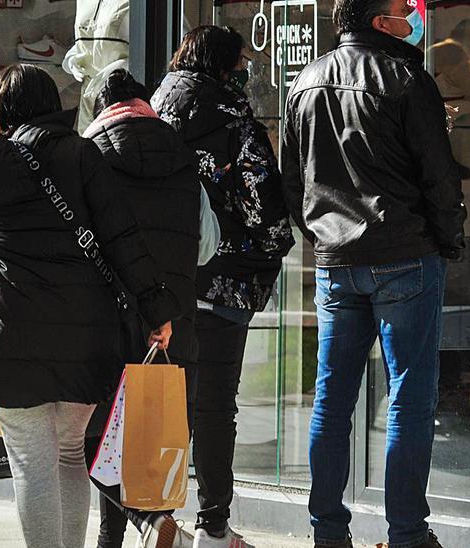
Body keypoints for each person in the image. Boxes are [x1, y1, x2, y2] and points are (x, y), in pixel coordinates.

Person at [0, 64, 182, 548]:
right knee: (69, 455)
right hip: (85, 335)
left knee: (31, 462)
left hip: (10, 340)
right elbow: (122, 237)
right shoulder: (82, 154)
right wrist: (156, 307)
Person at [280, 0, 467, 546]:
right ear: (377, 22)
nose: (411, 14)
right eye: (400, 9)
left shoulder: (305, 83)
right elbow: (440, 177)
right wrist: (448, 240)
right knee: (408, 398)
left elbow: (293, 181)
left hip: (337, 260)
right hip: (404, 253)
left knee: (332, 399)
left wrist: (319, 234)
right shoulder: (407, 77)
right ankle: (407, 533)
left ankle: (327, 532)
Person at [152, 25, 297, 548]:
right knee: (215, 407)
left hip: (162, 286)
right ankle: (213, 527)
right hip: (224, 287)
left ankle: (155, 518)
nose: (246, 70)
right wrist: (273, 246)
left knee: (163, 405)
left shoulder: (154, 111)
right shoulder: (235, 124)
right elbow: (268, 213)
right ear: (223, 65)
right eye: (241, 61)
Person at [80, 69, 222, 548]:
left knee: (103, 437)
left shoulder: (88, 157)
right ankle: (155, 521)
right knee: (158, 433)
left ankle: (122, 532)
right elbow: (206, 245)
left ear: (100, 110)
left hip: (107, 318)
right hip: (174, 318)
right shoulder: (183, 157)